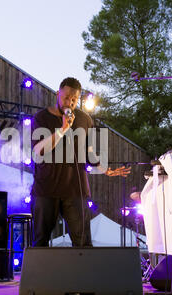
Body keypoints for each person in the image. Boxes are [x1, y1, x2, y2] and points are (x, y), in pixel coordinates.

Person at [30, 77, 130, 247]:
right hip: (46, 189)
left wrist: (105, 169)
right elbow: (38, 151)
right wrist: (63, 129)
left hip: (75, 190)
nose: (69, 102)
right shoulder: (41, 118)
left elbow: (88, 151)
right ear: (57, 94)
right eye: (66, 97)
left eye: (74, 99)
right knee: (40, 243)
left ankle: (83, 274)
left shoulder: (85, 120)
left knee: (83, 242)